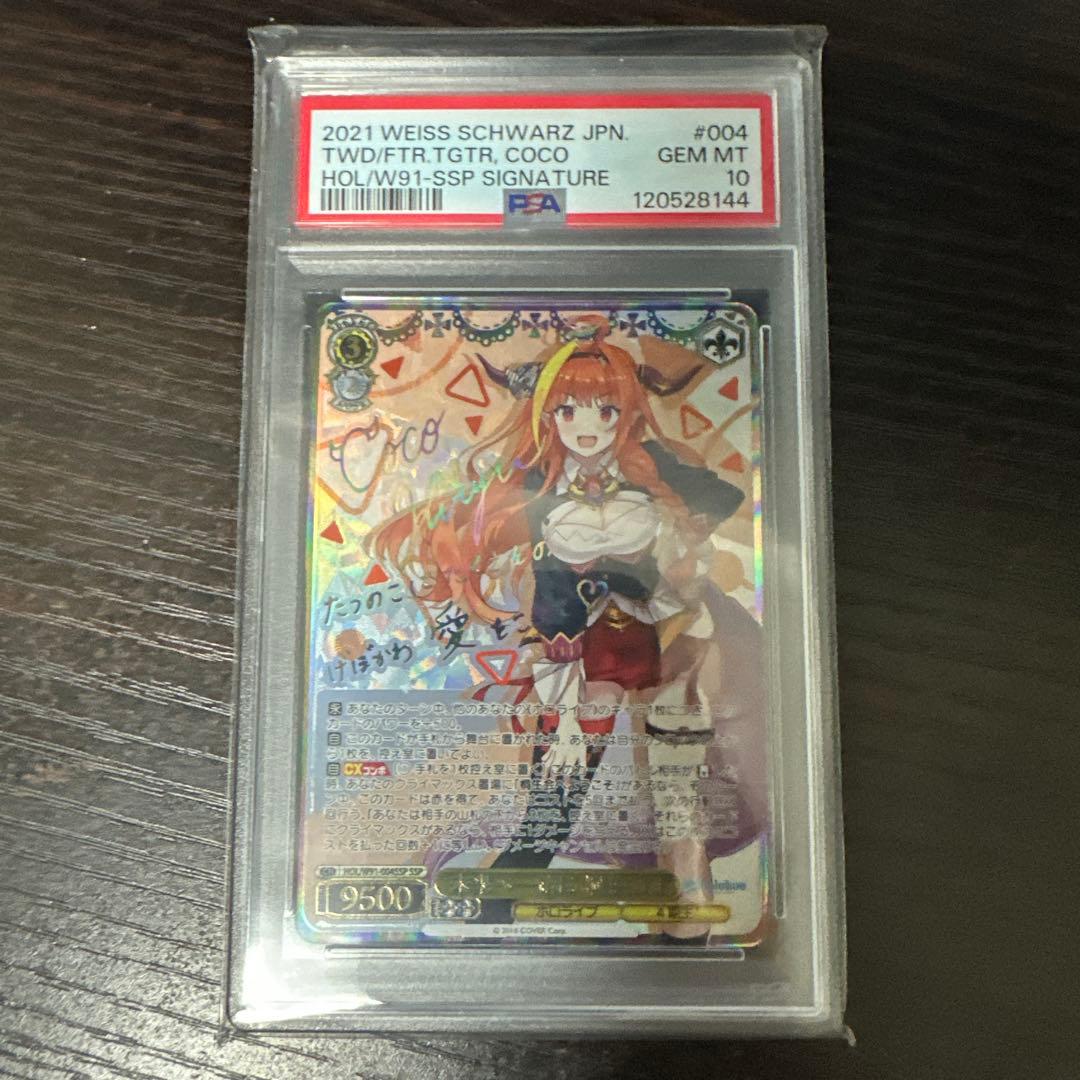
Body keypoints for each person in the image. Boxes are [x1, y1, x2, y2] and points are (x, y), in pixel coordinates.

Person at [372, 315, 745, 939]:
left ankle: (689, 910)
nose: (587, 426)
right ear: (549, 414)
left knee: (678, 784)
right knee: (560, 785)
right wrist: (566, 714)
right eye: (570, 411)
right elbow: (536, 587)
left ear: (626, 412)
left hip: (666, 635)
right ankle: (506, 894)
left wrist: (678, 528)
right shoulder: (537, 481)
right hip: (582, 648)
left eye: (606, 410)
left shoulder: (647, 464)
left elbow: (724, 499)